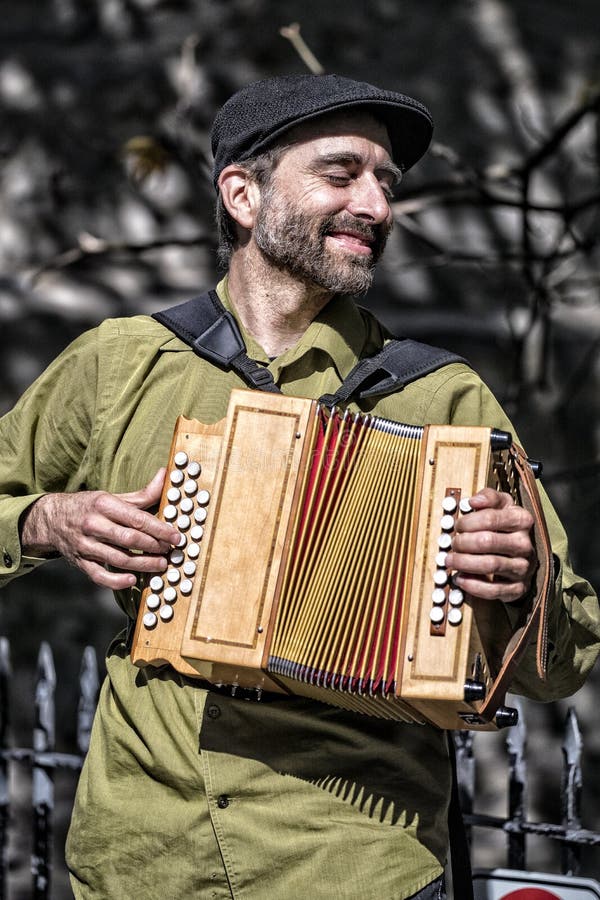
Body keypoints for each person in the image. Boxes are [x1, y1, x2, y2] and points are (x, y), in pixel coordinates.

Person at [0, 74, 598, 900]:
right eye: (341, 172)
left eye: (387, 183)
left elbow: (564, 658)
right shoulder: (119, 364)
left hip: (351, 867)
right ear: (243, 195)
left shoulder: (439, 399)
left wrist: (521, 585)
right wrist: (45, 520)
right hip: (144, 857)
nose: (377, 206)